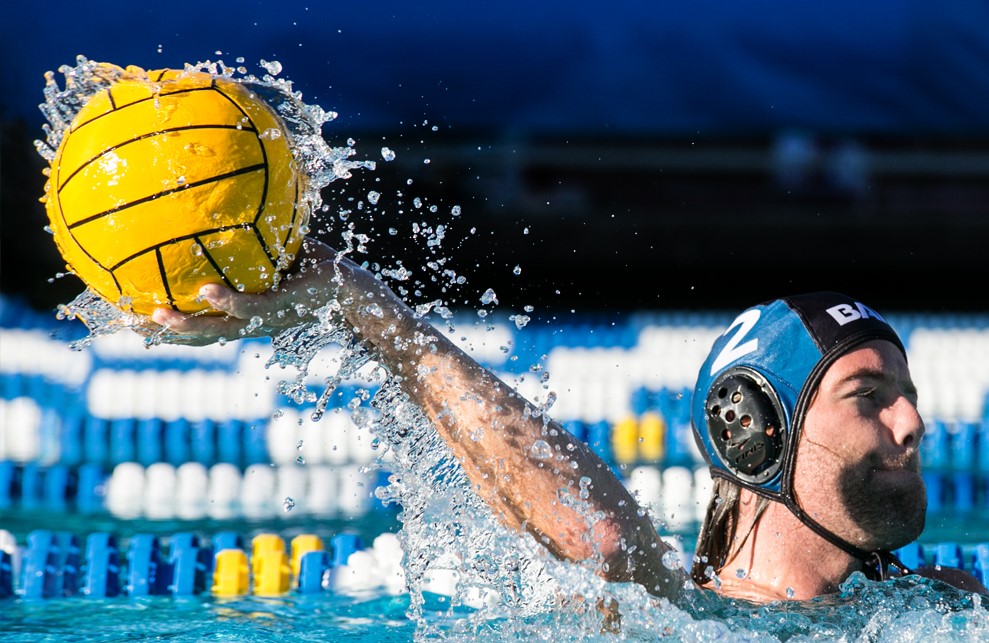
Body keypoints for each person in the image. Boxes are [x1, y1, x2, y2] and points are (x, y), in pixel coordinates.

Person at [151, 237, 987, 602]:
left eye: (906, 392)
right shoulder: (685, 626)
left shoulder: (951, 606)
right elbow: (603, 544)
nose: (912, 420)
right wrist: (376, 318)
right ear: (755, 431)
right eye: (868, 395)